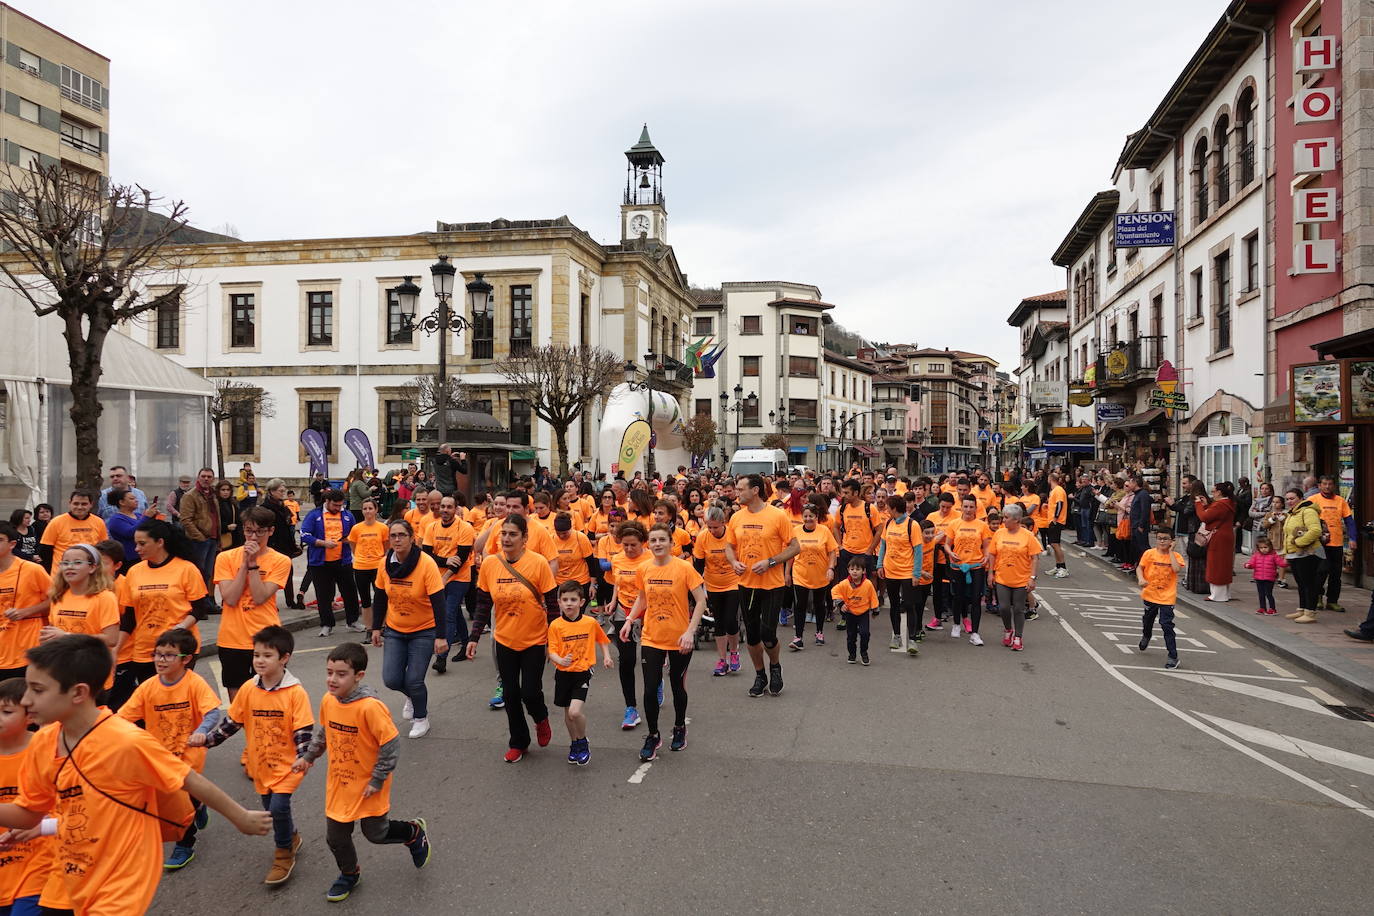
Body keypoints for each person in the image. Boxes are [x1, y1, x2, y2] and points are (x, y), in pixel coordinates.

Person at [0, 635, 271, 913]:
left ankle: (187, 839)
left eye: (37, 690)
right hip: (66, 879)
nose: (26, 699)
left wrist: (241, 816)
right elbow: (28, 812)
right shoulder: (43, 743)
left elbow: (189, 779)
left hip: (120, 882)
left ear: (79, 693)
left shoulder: (126, 742)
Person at [292, 642, 433, 903]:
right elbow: (324, 732)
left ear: (359, 676)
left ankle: (413, 832)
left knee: (376, 834)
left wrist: (378, 779)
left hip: (370, 784)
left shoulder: (370, 707)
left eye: (341, 673)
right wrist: (308, 757)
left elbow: (390, 745)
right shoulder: (328, 700)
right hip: (340, 783)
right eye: (329, 672)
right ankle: (349, 873)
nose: (332, 679)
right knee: (335, 836)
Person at [191, 625, 313, 885]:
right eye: (256, 655)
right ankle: (291, 836)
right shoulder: (248, 689)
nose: (259, 660)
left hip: (288, 767)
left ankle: (283, 854)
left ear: (284, 658)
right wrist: (208, 741)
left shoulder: (295, 693)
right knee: (271, 807)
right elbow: (232, 723)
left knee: (277, 808)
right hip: (261, 766)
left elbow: (304, 730)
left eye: (267, 655)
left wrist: (304, 757)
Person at [116, 628, 222, 870]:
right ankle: (199, 804)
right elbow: (123, 717)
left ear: (186, 659)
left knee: (183, 799)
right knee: (178, 800)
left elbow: (212, 711)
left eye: (168, 655)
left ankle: (185, 844)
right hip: (160, 756)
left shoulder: (194, 683)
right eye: (157, 654)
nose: (160, 660)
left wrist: (202, 731)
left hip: (189, 755)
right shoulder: (147, 687)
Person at [466, 515, 556, 763]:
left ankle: (541, 718)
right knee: (510, 694)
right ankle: (519, 741)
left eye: (512, 534)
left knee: (530, 692)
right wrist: (474, 637)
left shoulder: (538, 563)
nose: (506, 538)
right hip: (504, 639)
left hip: (535, 639)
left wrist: (555, 641)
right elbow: (483, 603)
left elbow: (552, 604)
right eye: (503, 533)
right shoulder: (490, 564)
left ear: (524, 538)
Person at [620, 524, 707, 760]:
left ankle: (679, 727)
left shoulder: (684, 568)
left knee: (677, 685)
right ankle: (653, 734)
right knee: (650, 689)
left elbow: (701, 600)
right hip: (651, 637)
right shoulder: (644, 568)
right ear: (649, 543)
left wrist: (690, 632)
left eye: (662, 540)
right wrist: (629, 619)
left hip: (680, 638)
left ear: (671, 542)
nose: (657, 544)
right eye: (653, 540)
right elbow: (642, 598)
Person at [370, 520, 447, 739]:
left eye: (402, 535)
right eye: (393, 535)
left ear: (412, 538)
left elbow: (439, 602)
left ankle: (421, 718)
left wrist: (441, 636)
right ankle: (413, 697)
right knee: (392, 679)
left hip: (423, 630)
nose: (397, 539)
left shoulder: (426, 563)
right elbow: (380, 597)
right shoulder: (384, 563)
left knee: (414, 679)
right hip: (395, 629)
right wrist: (376, 627)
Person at [725, 474, 800, 698]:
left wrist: (771, 562)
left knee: (768, 634)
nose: (737, 493)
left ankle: (775, 667)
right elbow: (729, 546)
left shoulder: (777, 516)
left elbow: (795, 548)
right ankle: (760, 675)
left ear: (755, 490)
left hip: (772, 585)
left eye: (740, 489)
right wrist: (733, 561)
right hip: (746, 584)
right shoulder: (736, 517)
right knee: (752, 636)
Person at [119, 519, 214, 693]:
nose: (136, 549)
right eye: (135, 544)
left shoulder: (186, 569)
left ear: (160, 542)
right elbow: (129, 617)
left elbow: (199, 608)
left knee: (175, 700)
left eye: (142, 544)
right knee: (151, 700)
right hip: (144, 648)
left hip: (177, 647)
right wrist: (115, 649)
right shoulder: (134, 571)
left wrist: (180, 628)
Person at [213, 506, 292, 703]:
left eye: (260, 531)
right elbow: (230, 599)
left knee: (269, 700)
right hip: (232, 638)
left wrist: (254, 565)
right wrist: (244, 564)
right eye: (249, 531)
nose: (254, 537)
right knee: (238, 703)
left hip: (266, 637)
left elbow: (259, 596)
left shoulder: (281, 561)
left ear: (271, 531)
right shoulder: (225, 558)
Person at [0, 676, 55, 915]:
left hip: (42, 857)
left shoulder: (47, 748)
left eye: (5, 711)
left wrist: (45, 825)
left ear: (30, 716)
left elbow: (66, 802)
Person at [547, 581, 614, 766]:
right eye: (565, 600)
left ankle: (583, 742)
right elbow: (551, 650)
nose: (569, 603)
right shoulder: (555, 625)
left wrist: (607, 657)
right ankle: (574, 743)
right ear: (559, 602)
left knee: (575, 712)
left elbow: (602, 639)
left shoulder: (590, 622)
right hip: (562, 673)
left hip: (582, 671)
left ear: (582, 602)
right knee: (568, 714)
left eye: (573, 600)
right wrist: (559, 660)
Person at [603, 521, 652, 728]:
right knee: (627, 660)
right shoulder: (617, 559)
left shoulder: (652, 558)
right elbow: (617, 582)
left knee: (650, 662)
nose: (629, 549)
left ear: (643, 543)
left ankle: (656, 683)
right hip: (624, 611)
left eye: (634, 545)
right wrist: (614, 601)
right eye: (625, 545)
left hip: (648, 613)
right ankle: (630, 708)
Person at [301, 489, 364, 637]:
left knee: (350, 592)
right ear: (327, 502)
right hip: (320, 563)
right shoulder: (314, 515)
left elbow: (354, 534)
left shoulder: (347, 515)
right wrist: (322, 543)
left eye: (341, 505)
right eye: (335, 505)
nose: (338, 508)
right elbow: (304, 535)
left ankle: (352, 621)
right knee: (324, 595)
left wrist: (349, 540)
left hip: (343, 561)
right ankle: (327, 624)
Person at [423, 496, 474, 675]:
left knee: (448, 613)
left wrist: (445, 577)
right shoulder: (432, 527)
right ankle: (466, 642)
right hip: (438, 577)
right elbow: (427, 555)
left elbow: (460, 560)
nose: (444, 510)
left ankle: (441, 658)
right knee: (455, 613)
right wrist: (445, 560)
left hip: (459, 578)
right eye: (442, 506)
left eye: (449, 507)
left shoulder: (465, 528)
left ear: (455, 509)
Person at [0, 522, 51, 681]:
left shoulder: (32, 569)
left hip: (26, 650)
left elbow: (57, 601)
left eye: (0, 540)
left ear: (12, 544)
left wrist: (25, 611)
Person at [694, 507, 741, 677]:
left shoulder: (732, 535)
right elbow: (698, 566)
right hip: (712, 584)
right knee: (719, 622)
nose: (712, 531)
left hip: (733, 583)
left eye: (715, 527)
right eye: (709, 527)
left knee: (730, 619)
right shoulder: (702, 537)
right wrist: (698, 588)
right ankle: (722, 659)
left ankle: (734, 651)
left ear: (723, 523)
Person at [987, 504, 1040, 651]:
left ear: (1016, 520)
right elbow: (992, 553)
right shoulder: (999, 533)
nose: (1003, 520)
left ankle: (1018, 637)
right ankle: (1008, 629)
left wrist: (1032, 578)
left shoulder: (1028, 536)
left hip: (1021, 579)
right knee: (1003, 608)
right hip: (1002, 577)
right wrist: (991, 573)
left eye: (1006, 517)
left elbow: (1035, 558)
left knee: (1018, 609)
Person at [787, 504, 838, 651]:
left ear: (816, 517)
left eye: (811, 516)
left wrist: (830, 568)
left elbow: (832, 551)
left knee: (819, 604)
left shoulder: (824, 531)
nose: (808, 519)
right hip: (800, 574)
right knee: (800, 605)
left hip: (820, 574)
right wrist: (787, 574)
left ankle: (819, 632)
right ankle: (798, 638)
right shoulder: (795, 531)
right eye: (805, 516)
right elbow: (790, 554)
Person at [877, 494, 923, 654]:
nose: (887, 510)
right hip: (890, 571)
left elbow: (918, 551)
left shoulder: (913, 525)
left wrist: (916, 574)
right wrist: (879, 565)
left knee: (910, 605)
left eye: (889, 507)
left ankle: (912, 639)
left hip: (907, 572)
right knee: (894, 605)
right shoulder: (889, 523)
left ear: (894, 508)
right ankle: (896, 636)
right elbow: (883, 545)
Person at [1137, 528, 1185, 670]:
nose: (1162, 541)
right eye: (1159, 538)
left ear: (1172, 541)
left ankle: (1173, 656)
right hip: (1150, 594)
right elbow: (1140, 567)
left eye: (1165, 538)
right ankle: (1146, 635)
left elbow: (1176, 569)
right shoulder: (1149, 554)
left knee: (1166, 625)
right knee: (1148, 620)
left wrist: (1170, 552)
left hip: (1167, 597)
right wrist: (1141, 579)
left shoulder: (1175, 556)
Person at [947, 495, 992, 646]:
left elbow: (986, 546)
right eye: (965, 506)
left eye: (971, 507)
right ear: (961, 507)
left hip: (976, 566)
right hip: (958, 566)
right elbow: (947, 544)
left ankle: (975, 633)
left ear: (975, 508)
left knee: (975, 599)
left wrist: (986, 556)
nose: (968, 510)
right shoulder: (954, 524)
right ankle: (956, 624)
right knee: (958, 596)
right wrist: (950, 552)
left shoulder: (982, 525)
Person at [1309, 475, 1355, 611]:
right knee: (1321, 571)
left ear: (1334, 486)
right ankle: (1317, 597)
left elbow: (1349, 521)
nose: (1327, 486)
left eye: (1330, 484)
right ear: (1319, 486)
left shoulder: (1340, 501)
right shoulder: (1313, 500)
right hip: (1319, 543)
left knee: (1336, 574)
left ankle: (1332, 601)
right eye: (1324, 484)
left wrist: (1353, 538)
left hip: (1337, 542)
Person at [1280, 488, 1326, 624]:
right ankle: (1302, 609)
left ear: (1300, 498)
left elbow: (1316, 530)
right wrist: (1286, 552)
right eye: (1287, 499)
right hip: (1295, 554)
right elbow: (1288, 534)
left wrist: (1299, 542)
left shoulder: (1308, 511)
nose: (1289, 501)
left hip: (1308, 553)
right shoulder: (1292, 513)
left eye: (1292, 498)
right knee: (1301, 583)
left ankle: (1310, 612)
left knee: (1309, 583)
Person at [37, 490, 107, 576]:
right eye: (76, 503)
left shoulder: (99, 522)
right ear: (70, 503)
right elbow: (45, 551)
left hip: (90, 575)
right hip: (62, 575)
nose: (80, 507)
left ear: (91, 505)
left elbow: (103, 549)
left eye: (84, 504)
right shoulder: (56, 522)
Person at [178, 467, 221, 587]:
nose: (206, 479)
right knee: (197, 573)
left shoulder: (213, 495)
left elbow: (216, 517)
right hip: (199, 541)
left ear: (213, 479)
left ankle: (205, 601)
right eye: (203, 476)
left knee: (208, 574)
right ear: (198, 478)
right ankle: (197, 602)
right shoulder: (190, 496)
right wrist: (199, 537)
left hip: (212, 539)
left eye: (209, 477)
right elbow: (186, 519)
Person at [832, 556, 879, 665]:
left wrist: (875, 610)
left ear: (864, 571)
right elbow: (835, 591)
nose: (854, 572)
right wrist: (841, 603)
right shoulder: (844, 583)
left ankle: (864, 652)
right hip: (850, 613)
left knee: (865, 633)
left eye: (858, 569)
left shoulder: (867, 584)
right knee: (851, 635)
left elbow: (873, 596)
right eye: (852, 569)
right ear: (848, 570)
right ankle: (852, 654)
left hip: (863, 613)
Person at [1196, 481, 1237, 602]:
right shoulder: (1226, 503)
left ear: (1219, 492)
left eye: (1214, 491)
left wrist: (1198, 504)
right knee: (1223, 564)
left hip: (1219, 537)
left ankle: (1217, 595)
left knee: (1216, 565)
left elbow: (1204, 517)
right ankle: (1223, 593)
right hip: (1224, 536)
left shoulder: (1220, 505)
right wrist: (1205, 505)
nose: (1212, 493)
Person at [104, 487, 156, 571]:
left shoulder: (138, 516)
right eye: (132, 498)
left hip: (144, 556)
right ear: (122, 502)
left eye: (135, 498)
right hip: (130, 560)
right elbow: (130, 532)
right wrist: (146, 517)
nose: (136, 500)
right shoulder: (116, 519)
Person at [1244, 536, 1286, 616]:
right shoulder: (1256, 555)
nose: (1263, 549)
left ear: (1270, 547)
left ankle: (1272, 609)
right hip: (1258, 577)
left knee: (1268, 593)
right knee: (1261, 594)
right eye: (1261, 547)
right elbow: (1252, 563)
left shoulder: (1274, 555)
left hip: (1269, 578)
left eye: (1265, 547)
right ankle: (1262, 608)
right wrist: (1247, 565)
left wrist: (1286, 561)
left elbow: (1281, 563)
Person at [215, 478, 242, 549]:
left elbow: (238, 519)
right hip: (219, 537)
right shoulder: (215, 504)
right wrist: (226, 527)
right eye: (223, 490)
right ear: (218, 491)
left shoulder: (233, 503)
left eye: (228, 490)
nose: (226, 492)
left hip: (234, 537)